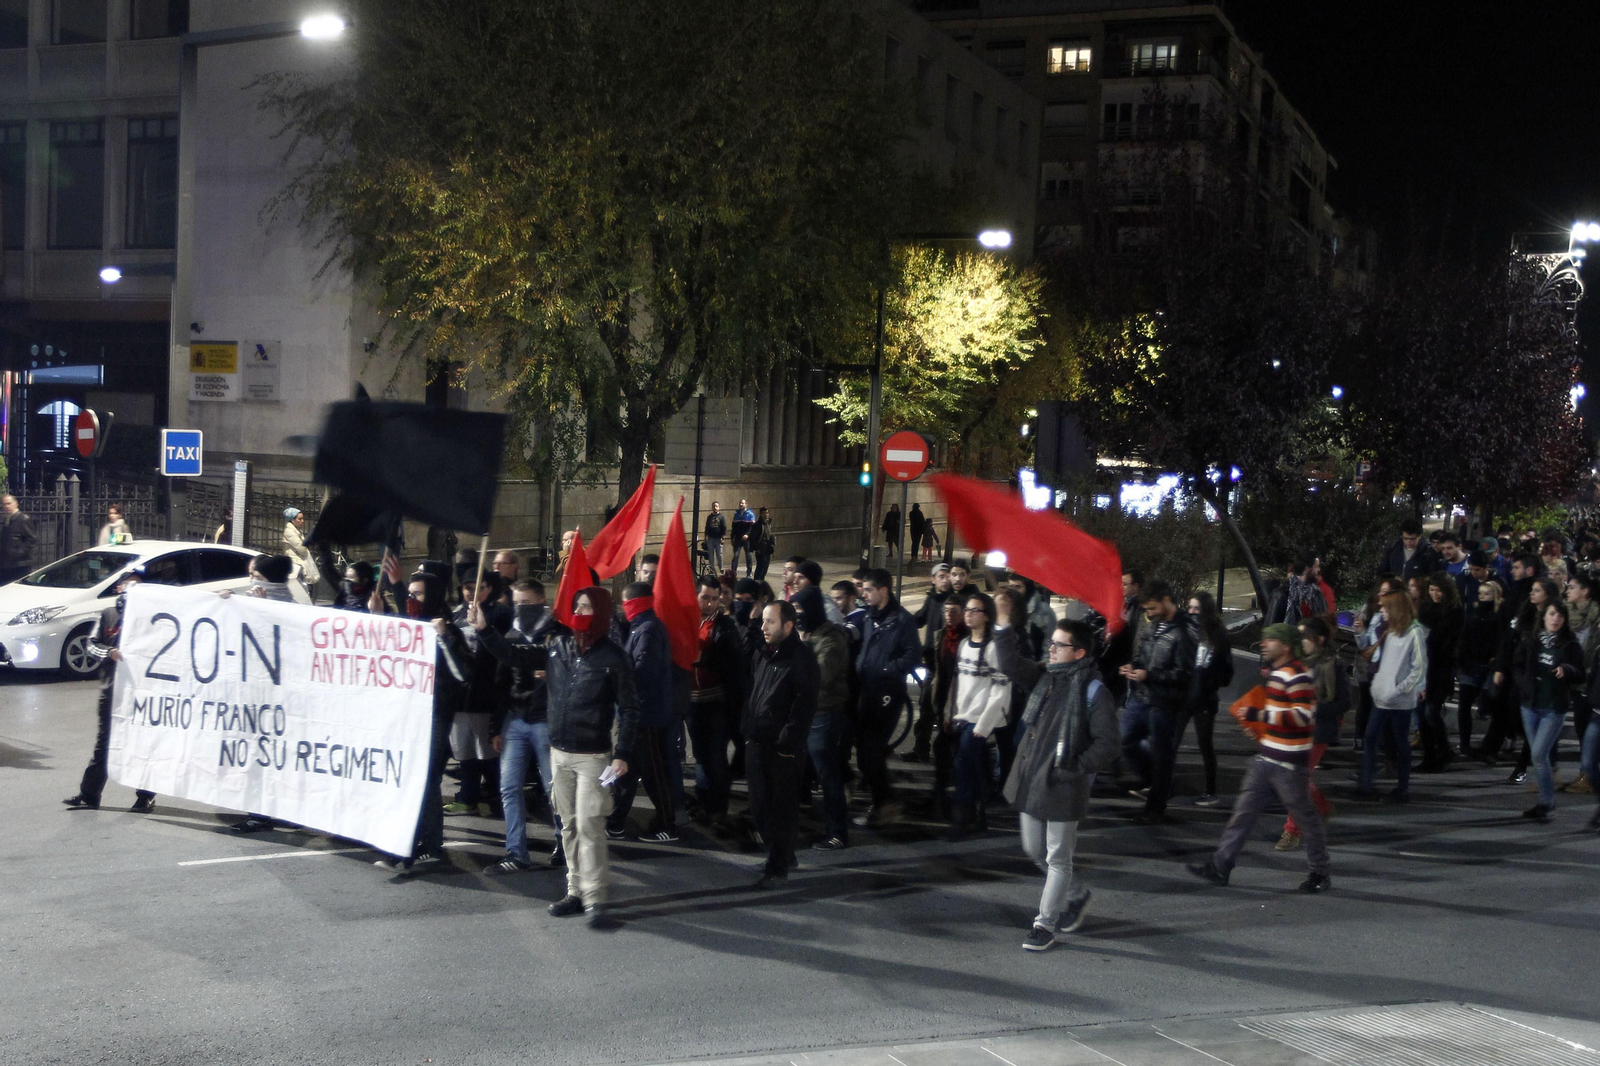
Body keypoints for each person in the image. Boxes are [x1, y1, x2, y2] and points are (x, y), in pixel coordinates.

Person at [472, 586, 640, 927]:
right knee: (568, 825)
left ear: (601, 613)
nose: (579, 612)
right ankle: (575, 891)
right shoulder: (557, 647)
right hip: (560, 754)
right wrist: (485, 630)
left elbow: (630, 709)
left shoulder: (614, 658)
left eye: (587, 607)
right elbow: (514, 655)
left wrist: (622, 753)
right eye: (577, 606)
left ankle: (594, 896)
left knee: (589, 825)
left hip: (593, 757)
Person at [1187, 623, 1331, 893]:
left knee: (1306, 820)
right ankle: (1220, 866)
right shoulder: (1278, 674)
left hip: (1289, 765)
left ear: (1285, 646)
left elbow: (1303, 716)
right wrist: (1260, 730)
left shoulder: (1297, 675)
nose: (1263, 644)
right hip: (1267, 759)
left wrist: (1260, 716)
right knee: (1242, 815)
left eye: (1270, 640)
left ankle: (1320, 872)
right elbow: (1283, 717)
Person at [1006, 619, 1117, 950]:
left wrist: (1074, 769)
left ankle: (1044, 925)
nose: (1051, 649)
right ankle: (1077, 894)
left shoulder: (1093, 692)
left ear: (1079, 652)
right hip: (1032, 781)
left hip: (1065, 786)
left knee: (1057, 859)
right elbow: (1010, 664)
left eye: (1059, 645)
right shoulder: (1047, 677)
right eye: (1051, 643)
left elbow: (1108, 743)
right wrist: (1002, 625)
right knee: (1034, 850)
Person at [366, 568, 465, 868]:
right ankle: (417, 845)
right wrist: (377, 615)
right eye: (409, 594)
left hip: (435, 717)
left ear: (432, 596)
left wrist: (444, 637)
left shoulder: (449, 630)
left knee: (424, 780)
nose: (411, 599)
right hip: (408, 716)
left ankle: (420, 846)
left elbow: (463, 674)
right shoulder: (409, 626)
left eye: (418, 594)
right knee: (414, 781)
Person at [62, 566, 157, 813]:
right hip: (111, 691)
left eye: (138, 584)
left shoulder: (152, 617)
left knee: (142, 745)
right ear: (118, 587)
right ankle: (89, 795)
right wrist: (109, 652)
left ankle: (146, 796)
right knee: (104, 744)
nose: (132, 587)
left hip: (141, 694)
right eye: (128, 583)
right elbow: (91, 645)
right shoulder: (107, 615)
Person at [485, 578, 563, 873]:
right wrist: (495, 727)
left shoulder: (558, 636)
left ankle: (565, 845)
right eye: (516, 603)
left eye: (526, 603)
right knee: (509, 787)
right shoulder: (512, 634)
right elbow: (501, 684)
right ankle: (516, 852)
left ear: (542, 601)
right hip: (516, 719)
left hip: (547, 721)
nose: (520, 608)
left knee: (555, 789)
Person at [744, 600, 820, 888]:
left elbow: (805, 704)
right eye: (763, 621)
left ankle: (777, 867)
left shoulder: (801, 658)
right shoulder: (763, 653)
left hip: (782, 749)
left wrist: (788, 741)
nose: (763, 627)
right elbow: (752, 691)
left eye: (770, 621)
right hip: (757, 741)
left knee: (781, 811)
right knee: (759, 807)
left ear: (788, 626)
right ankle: (784, 855)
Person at [607, 582, 681, 843]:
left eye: (625, 603)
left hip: (646, 715)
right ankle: (615, 822)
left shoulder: (647, 629)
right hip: (641, 713)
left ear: (634, 603)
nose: (623, 608)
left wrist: (618, 682)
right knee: (626, 771)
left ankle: (667, 824)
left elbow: (642, 672)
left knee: (653, 774)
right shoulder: (641, 627)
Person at [1118, 580, 1196, 822]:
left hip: (1164, 703)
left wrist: (1149, 675)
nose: (1149, 614)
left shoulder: (1184, 632)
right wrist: (1134, 666)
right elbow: (1143, 655)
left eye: (1152, 608)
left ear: (1166, 600)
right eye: (1147, 609)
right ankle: (1155, 782)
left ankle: (1155, 807)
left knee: (1163, 755)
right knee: (1124, 741)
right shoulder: (1154, 626)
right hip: (1141, 697)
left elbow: (1185, 674)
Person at [852, 568, 921, 828]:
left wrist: (886, 669)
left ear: (883, 590)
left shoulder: (902, 620)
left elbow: (913, 656)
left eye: (869, 590)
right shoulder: (870, 616)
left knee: (870, 751)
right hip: (868, 689)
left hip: (888, 693)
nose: (864, 594)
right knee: (866, 752)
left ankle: (885, 803)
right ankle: (885, 801)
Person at [944, 591, 1013, 839]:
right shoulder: (964, 644)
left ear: (986, 616)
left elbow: (1001, 689)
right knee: (973, 768)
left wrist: (983, 725)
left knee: (962, 767)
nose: (969, 614)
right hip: (963, 717)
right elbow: (958, 683)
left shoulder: (993, 648)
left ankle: (961, 819)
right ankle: (979, 814)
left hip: (979, 720)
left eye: (975, 610)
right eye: (967, 610)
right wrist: (951, 713)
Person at [444, 574, 511, 818]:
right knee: (465, 752)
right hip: (460, 696)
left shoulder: (500, 613)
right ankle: (468, 797)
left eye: (478, 587)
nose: (471, 592)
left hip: (485, 694)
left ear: (489, 588)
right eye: (467, 587)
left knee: (488, 752)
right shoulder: (456, 613)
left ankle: (497, 796)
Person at [1276, 617, 1346, 851]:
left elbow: (1344, 702)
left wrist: (1314, 709)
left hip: (1318, 732)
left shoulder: (1333, 665)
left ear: (1320, 639)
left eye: (1304, 637)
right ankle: (1322, 807)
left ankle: (1291, 831)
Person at [1513, 600, 1584, 821]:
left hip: (1553, 708)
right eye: (1552, 614)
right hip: (1530, 706)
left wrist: (1566, 670)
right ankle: (1545, 802)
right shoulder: (1531, 640)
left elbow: (1580, 673)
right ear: (1543, 616)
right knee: (1539, 758)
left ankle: (1547, 803)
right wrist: (1523, 684)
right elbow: (1517, 665)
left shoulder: (1570, 644)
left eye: (1560, 615)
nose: (1556, 619)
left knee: (1538, 754)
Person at [1356, 589, 1427, 802]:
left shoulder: (1414, 632)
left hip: (1399, 701)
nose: (1382, 611)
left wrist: (1398, 690)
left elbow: (1419, 668)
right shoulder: (1391, 631)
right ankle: (1366, 785)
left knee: (1400, 743)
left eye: (1385, 607)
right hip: (1381, 698)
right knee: (1370, 738)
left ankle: (1402, 789)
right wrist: (1380, 687)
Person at [687, 574, 745, 826]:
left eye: (714, 598)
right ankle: (704, 802)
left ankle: (718, 808)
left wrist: (704, 657)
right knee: (700, 755)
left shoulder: (725, 626)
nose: (709, 603)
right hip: (692, 702)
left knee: (716, 755)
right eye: (705, 597)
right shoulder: (687, 621)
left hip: (716, 703)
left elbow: (733, 663)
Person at [796, 587, 850, 851]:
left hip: (824, 714)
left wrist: (802, 645)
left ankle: (837, 832)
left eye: (800, 610)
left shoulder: (831, 639)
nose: (797, 616)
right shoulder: (807, 634)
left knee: (828, 776)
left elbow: (818, 676)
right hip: (804, 713)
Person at [1178, 592, 1233, 807]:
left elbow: (1226, 671)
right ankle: (1158, 785)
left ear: (1206, 611)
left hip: (1204, 699)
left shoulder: (1218, 635)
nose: (1192, 612)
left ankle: (1211, 791)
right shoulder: (1185, 630)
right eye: (1190, 607)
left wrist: (1209, 682)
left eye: (1197, 608)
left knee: (1205, 745)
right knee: (1171, 742)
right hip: (1184, 696)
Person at [907, 563, 955, 763]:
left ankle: (946, 752)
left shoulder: (953, 602)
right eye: (941, 576)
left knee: (944, 709)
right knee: (926, 706)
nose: (946, 580)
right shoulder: (932, 599)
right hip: (931, 663)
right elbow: (919, 619)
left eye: (947, 576)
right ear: (933, 579)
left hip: (947, 665)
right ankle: (921, 749)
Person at [1417, 574, 1463, 772]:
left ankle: (1443, 751)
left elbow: (1450, 643)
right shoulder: (1426, 608)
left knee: (1431, 711)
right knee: (1422, 713)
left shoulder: (1455, 612)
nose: (1435, 594)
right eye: (1432, 590)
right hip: (1424, 666)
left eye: (1439, 590)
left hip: (1442, 668)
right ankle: (1429, 756)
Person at [1456, 579, 1505, 757]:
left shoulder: (1499, 616)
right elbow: (1464, 637)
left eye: (1487, 594)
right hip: (1471, 665)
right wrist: (1460, 661)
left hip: (1489, 667)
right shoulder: (1473, 614)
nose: (1482, 597)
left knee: (1490, 707)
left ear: (1495, 595)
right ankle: (1464, 744)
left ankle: (1492, 745)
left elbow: (1501, 641)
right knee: (1464, 706)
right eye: (1480, 593)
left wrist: (1496, 661)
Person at [281, 507, 320, 601]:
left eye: (302, 518)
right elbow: (302, 549)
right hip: (296, 564)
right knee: (299, 590)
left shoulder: (296, 531)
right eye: (299, 519)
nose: (302, 521)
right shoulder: (290, 532)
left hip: (299, 564)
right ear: (292, 520)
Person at [0, 494, 37, 583]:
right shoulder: (7, 519)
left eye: (9, 503)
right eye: (4, 504)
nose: (6, 506)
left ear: (16, 504)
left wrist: (17, 553)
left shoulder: (23, 519)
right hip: (7, 564)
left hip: (20, 565)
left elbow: (31, 540)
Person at [750, 507, 776, 581]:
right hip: (760, 549)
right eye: (764, 513)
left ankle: (761, 582)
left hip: (767, 549)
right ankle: (756, 582)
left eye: (767, 513)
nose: (766, 515)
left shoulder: (768, 523)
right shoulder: (757, 525)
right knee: (760, 568)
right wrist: (756, 548)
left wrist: (772, 544)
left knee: (765, 568)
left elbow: (769, 535)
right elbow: (753, 538)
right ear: (760, 514)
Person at [731, 499, 756, 575]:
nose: (741, 504)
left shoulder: (750, 514)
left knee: (748, 556)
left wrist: (747, 534)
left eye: (742, 503)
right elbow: (733, 527)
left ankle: (749, 572)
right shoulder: (736, 514)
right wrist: (732, 538)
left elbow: (752, 527)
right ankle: (733, 572)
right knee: (736, 555)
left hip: (747, 539)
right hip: (738, 538)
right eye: (740, 503)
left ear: (746, 504)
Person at [704, 502, 727, 573]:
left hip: (718, 539)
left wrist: (723, 537)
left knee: (719, 554)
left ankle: (721, 567)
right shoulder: (709, 517)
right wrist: (706, 536)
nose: (715, 508)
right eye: (714, 506)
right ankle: (711, 569)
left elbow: (724, 527)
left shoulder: (721, 517)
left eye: (716, 506)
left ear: (719, 507)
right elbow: (707, 527)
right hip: (710, 538)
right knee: (710, 555)